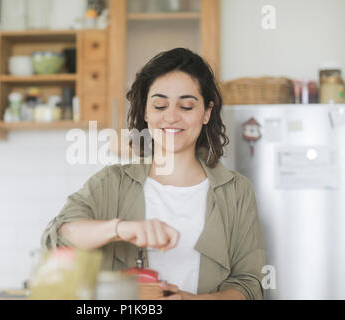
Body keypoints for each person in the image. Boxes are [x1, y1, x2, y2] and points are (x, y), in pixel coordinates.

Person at [41, 48, 266, 300]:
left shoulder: (236, 191)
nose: (171, 116)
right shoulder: (111, 182)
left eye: (186, 106)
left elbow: (249, 285)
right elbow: (57, 241)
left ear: (206, 113)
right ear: (146, 112)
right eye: (160, 105)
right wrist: (120, 229)